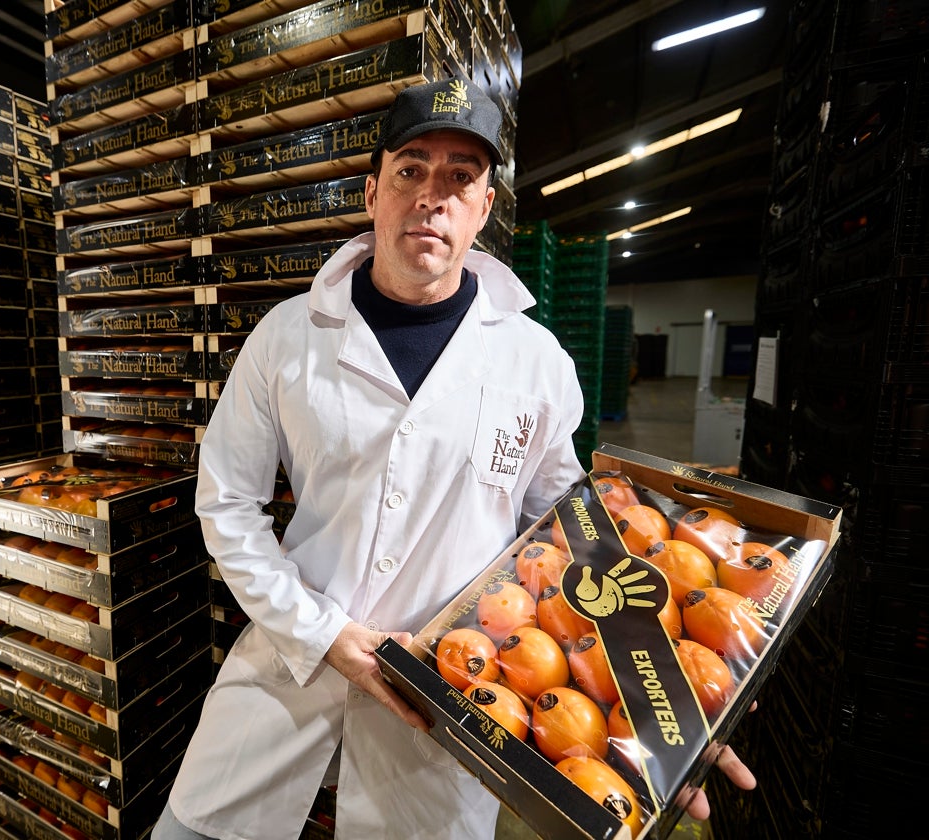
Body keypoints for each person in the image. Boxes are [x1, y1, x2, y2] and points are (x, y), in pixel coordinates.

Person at [153, 77, 754, 840]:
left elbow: (567, 541)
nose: (431, 195)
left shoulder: (536, 363)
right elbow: (228, 503)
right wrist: (322, 634)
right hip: (289, 663)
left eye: (460, 177)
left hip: (452, 691)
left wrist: (666, 686)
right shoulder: (287, 337)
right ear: (373, 192)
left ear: (485, 208)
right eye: (411, 169)